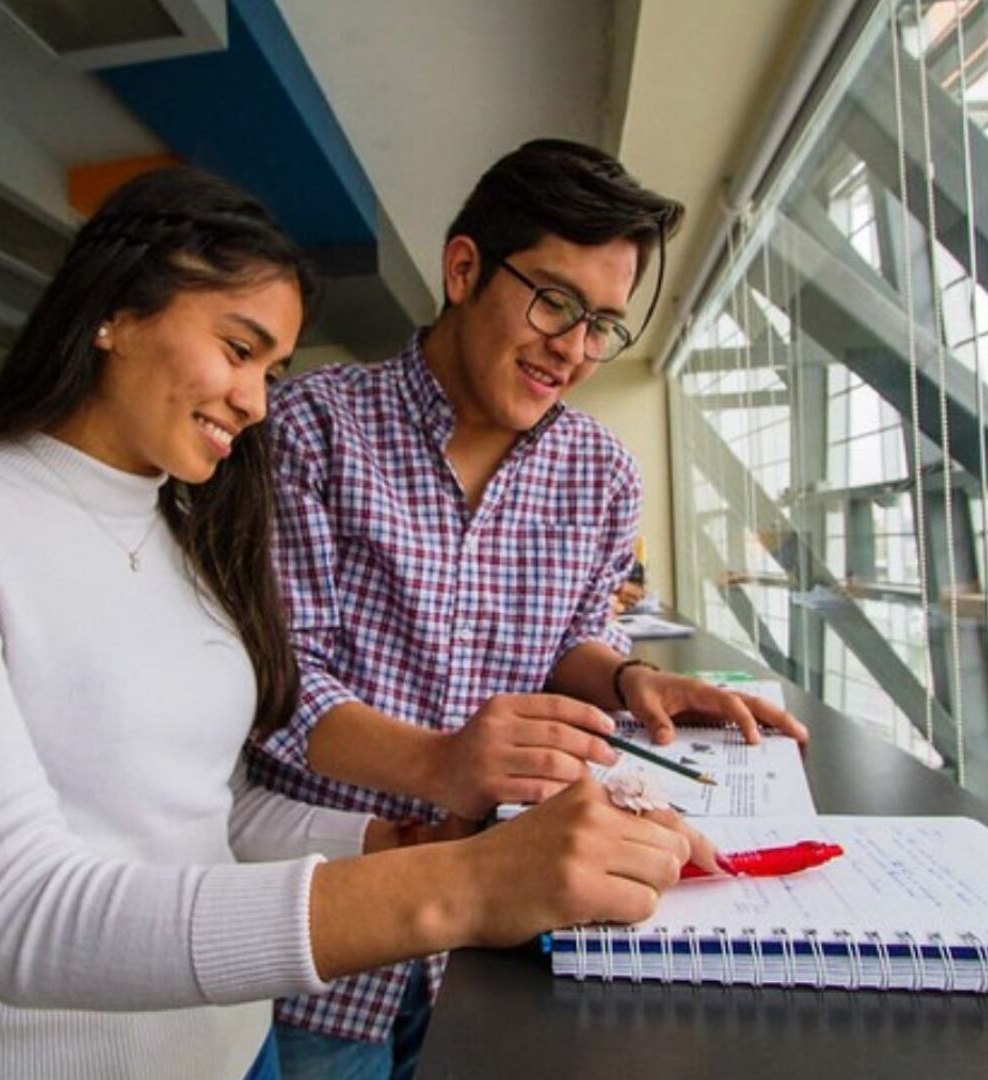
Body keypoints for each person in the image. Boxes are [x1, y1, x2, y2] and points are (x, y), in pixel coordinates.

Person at [0, 167, 719, 1080]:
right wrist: (466, 881)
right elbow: (17, 919)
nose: (255, 404)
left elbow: (214, 808)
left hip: (239, 1044)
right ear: (116, 311)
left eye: (273, 368)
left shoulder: (189, 528)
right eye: (238, 349)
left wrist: (404, 842)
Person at [250, 139, 810, 1079]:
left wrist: (637, 680)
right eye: (555, 301)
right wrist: (441, 762)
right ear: (463, 268)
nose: (575, 349)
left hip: (502, 942)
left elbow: (571, 634)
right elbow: (275, 687)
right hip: (327, 936)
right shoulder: (311, 432)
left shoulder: (602, 475)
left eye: (602, 325)